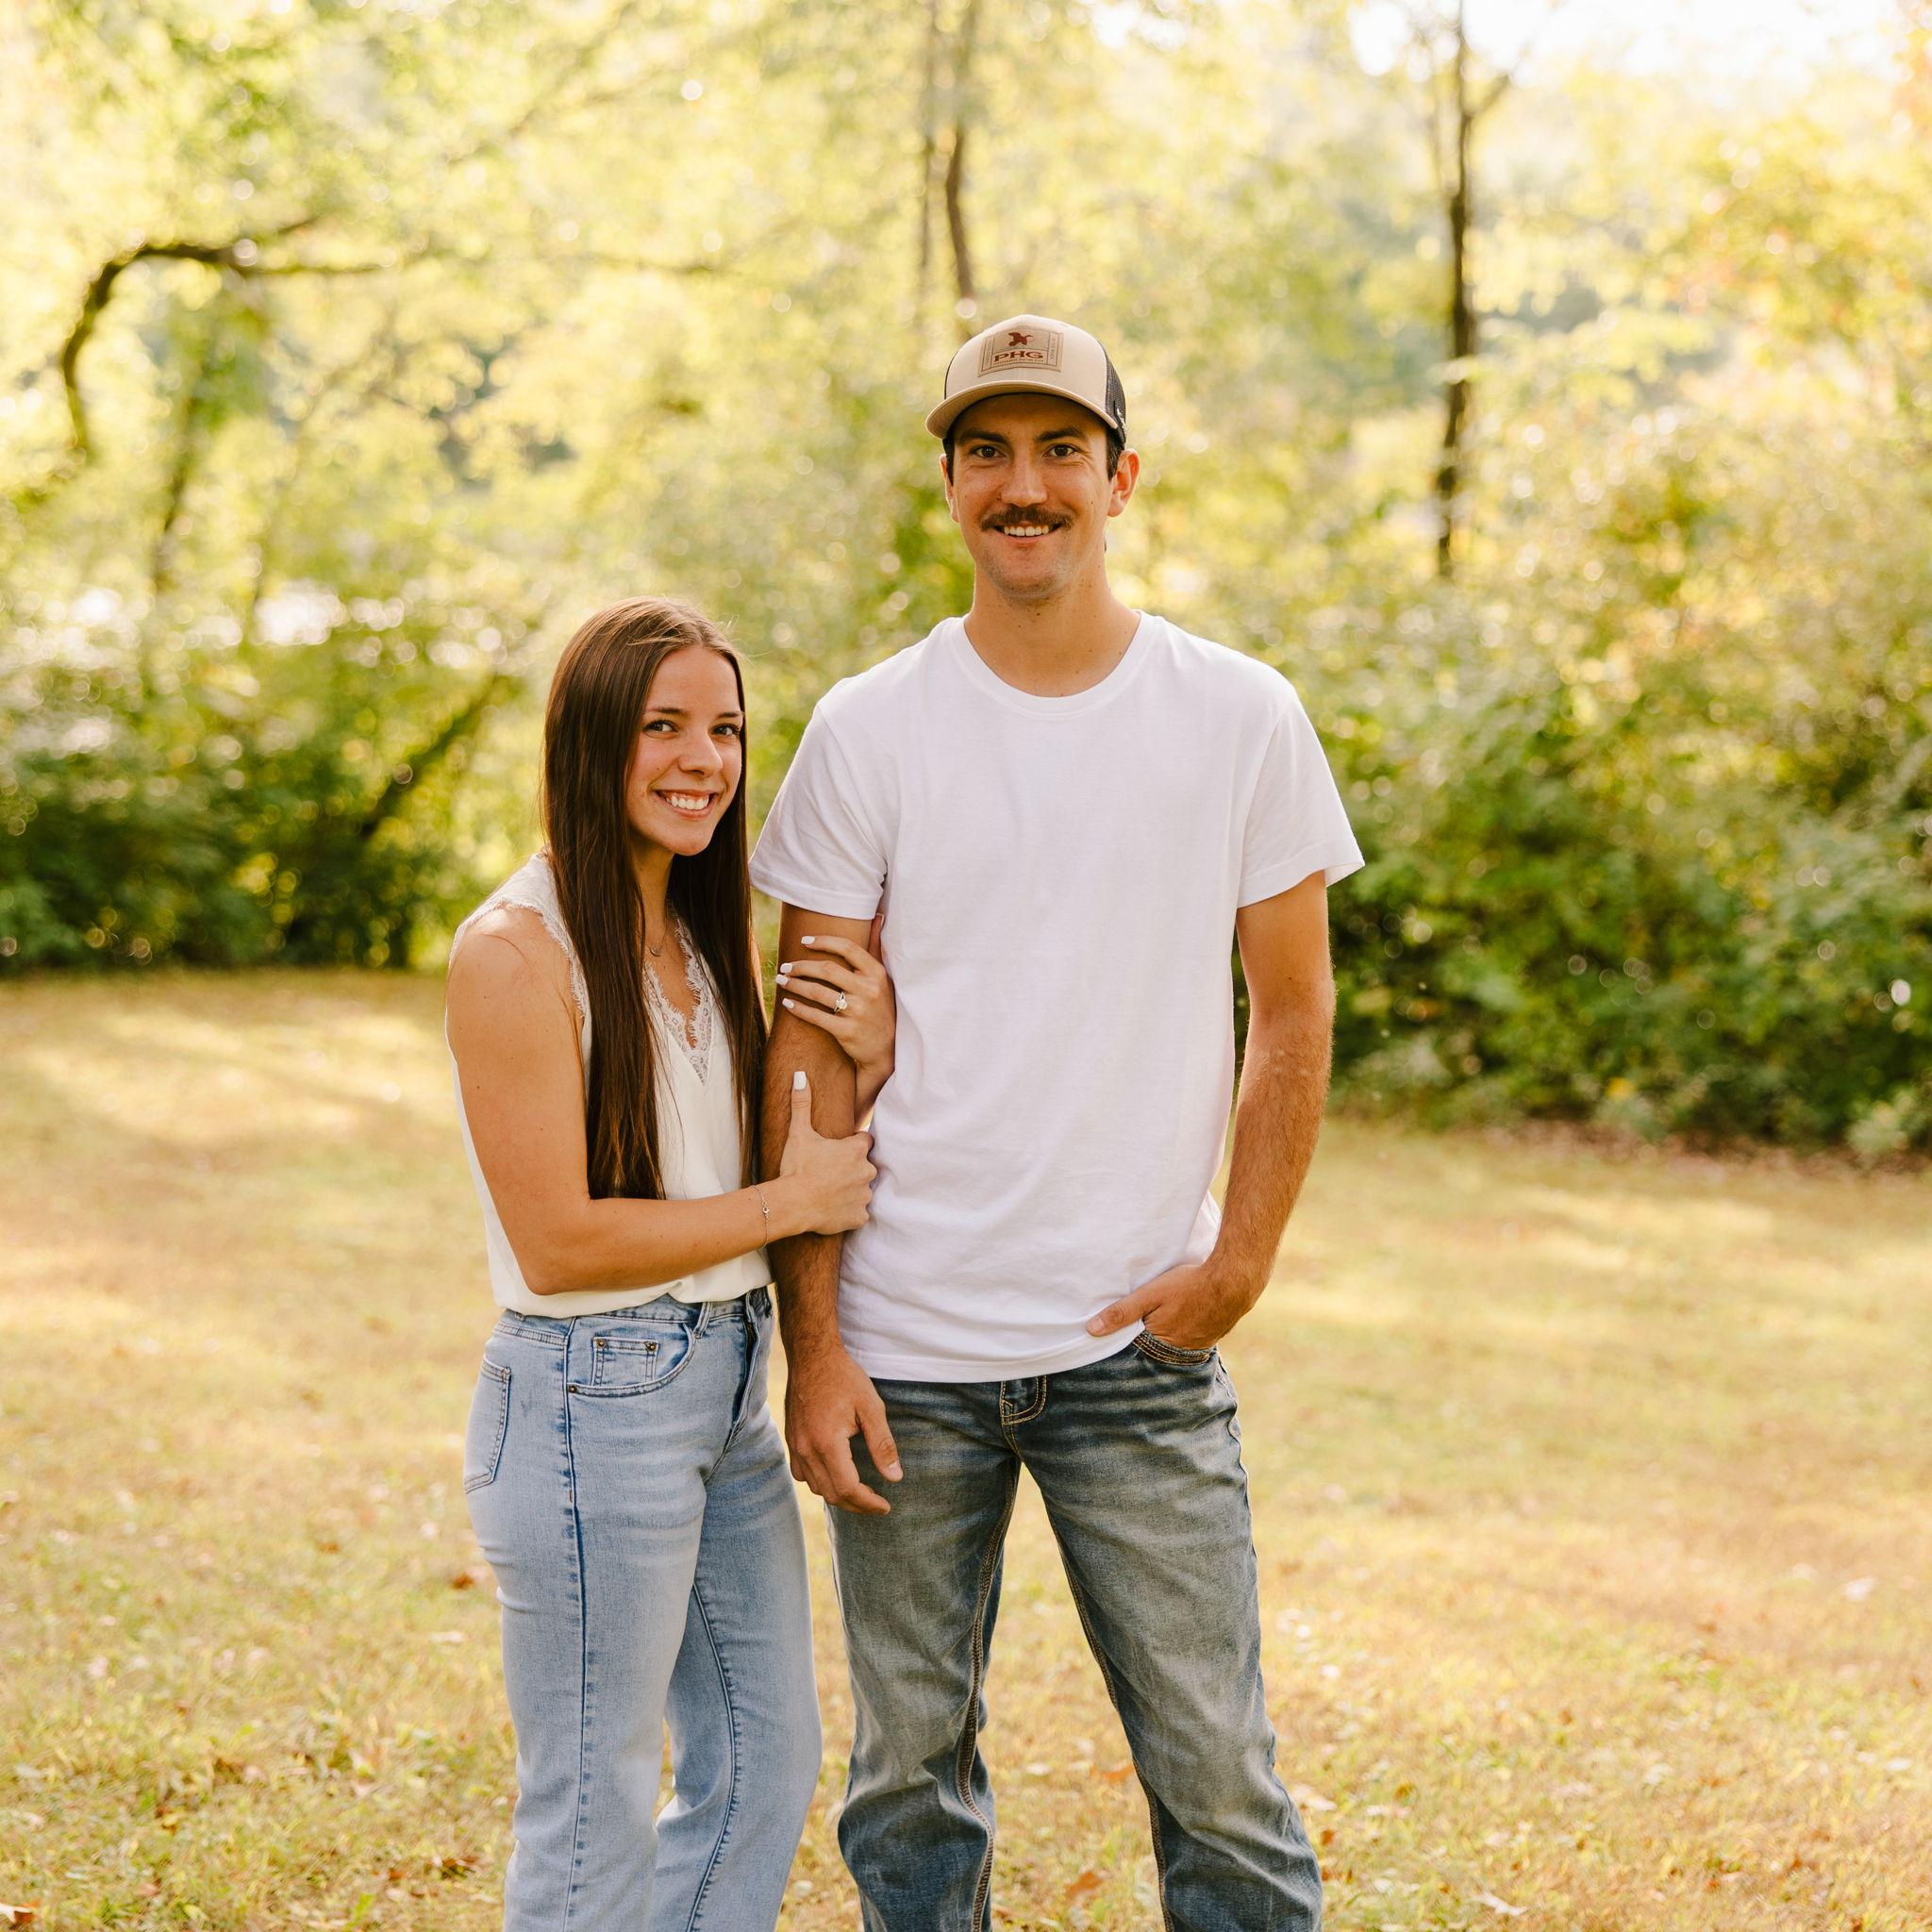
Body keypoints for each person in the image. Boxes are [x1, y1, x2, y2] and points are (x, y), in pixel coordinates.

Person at [751, 315, 1363, 1930]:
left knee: (1220, 1783)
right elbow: (806, 1050)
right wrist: (815, 1341)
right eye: (987, 453)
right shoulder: (868, 727)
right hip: (904, 1354)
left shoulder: (1240, 716)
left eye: (1059, 450)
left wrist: (1239, 1262)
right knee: (906, 1782)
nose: (1023, 485)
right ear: (951, 483)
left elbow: (1293, 1010)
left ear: (1121, 476)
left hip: (1134, 1352)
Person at [444, 596, 893, 1932]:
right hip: (591, 1401)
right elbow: (559, 1241)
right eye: (665, 727)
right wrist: (783, 1204)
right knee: (592, 1817)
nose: (704, 759)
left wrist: (871, 1056)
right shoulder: (514, 952)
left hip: (724, 1391)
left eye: (727, 730)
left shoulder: (699, 935)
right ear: (592, 739)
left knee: (764, 1767)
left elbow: (769, 1153)